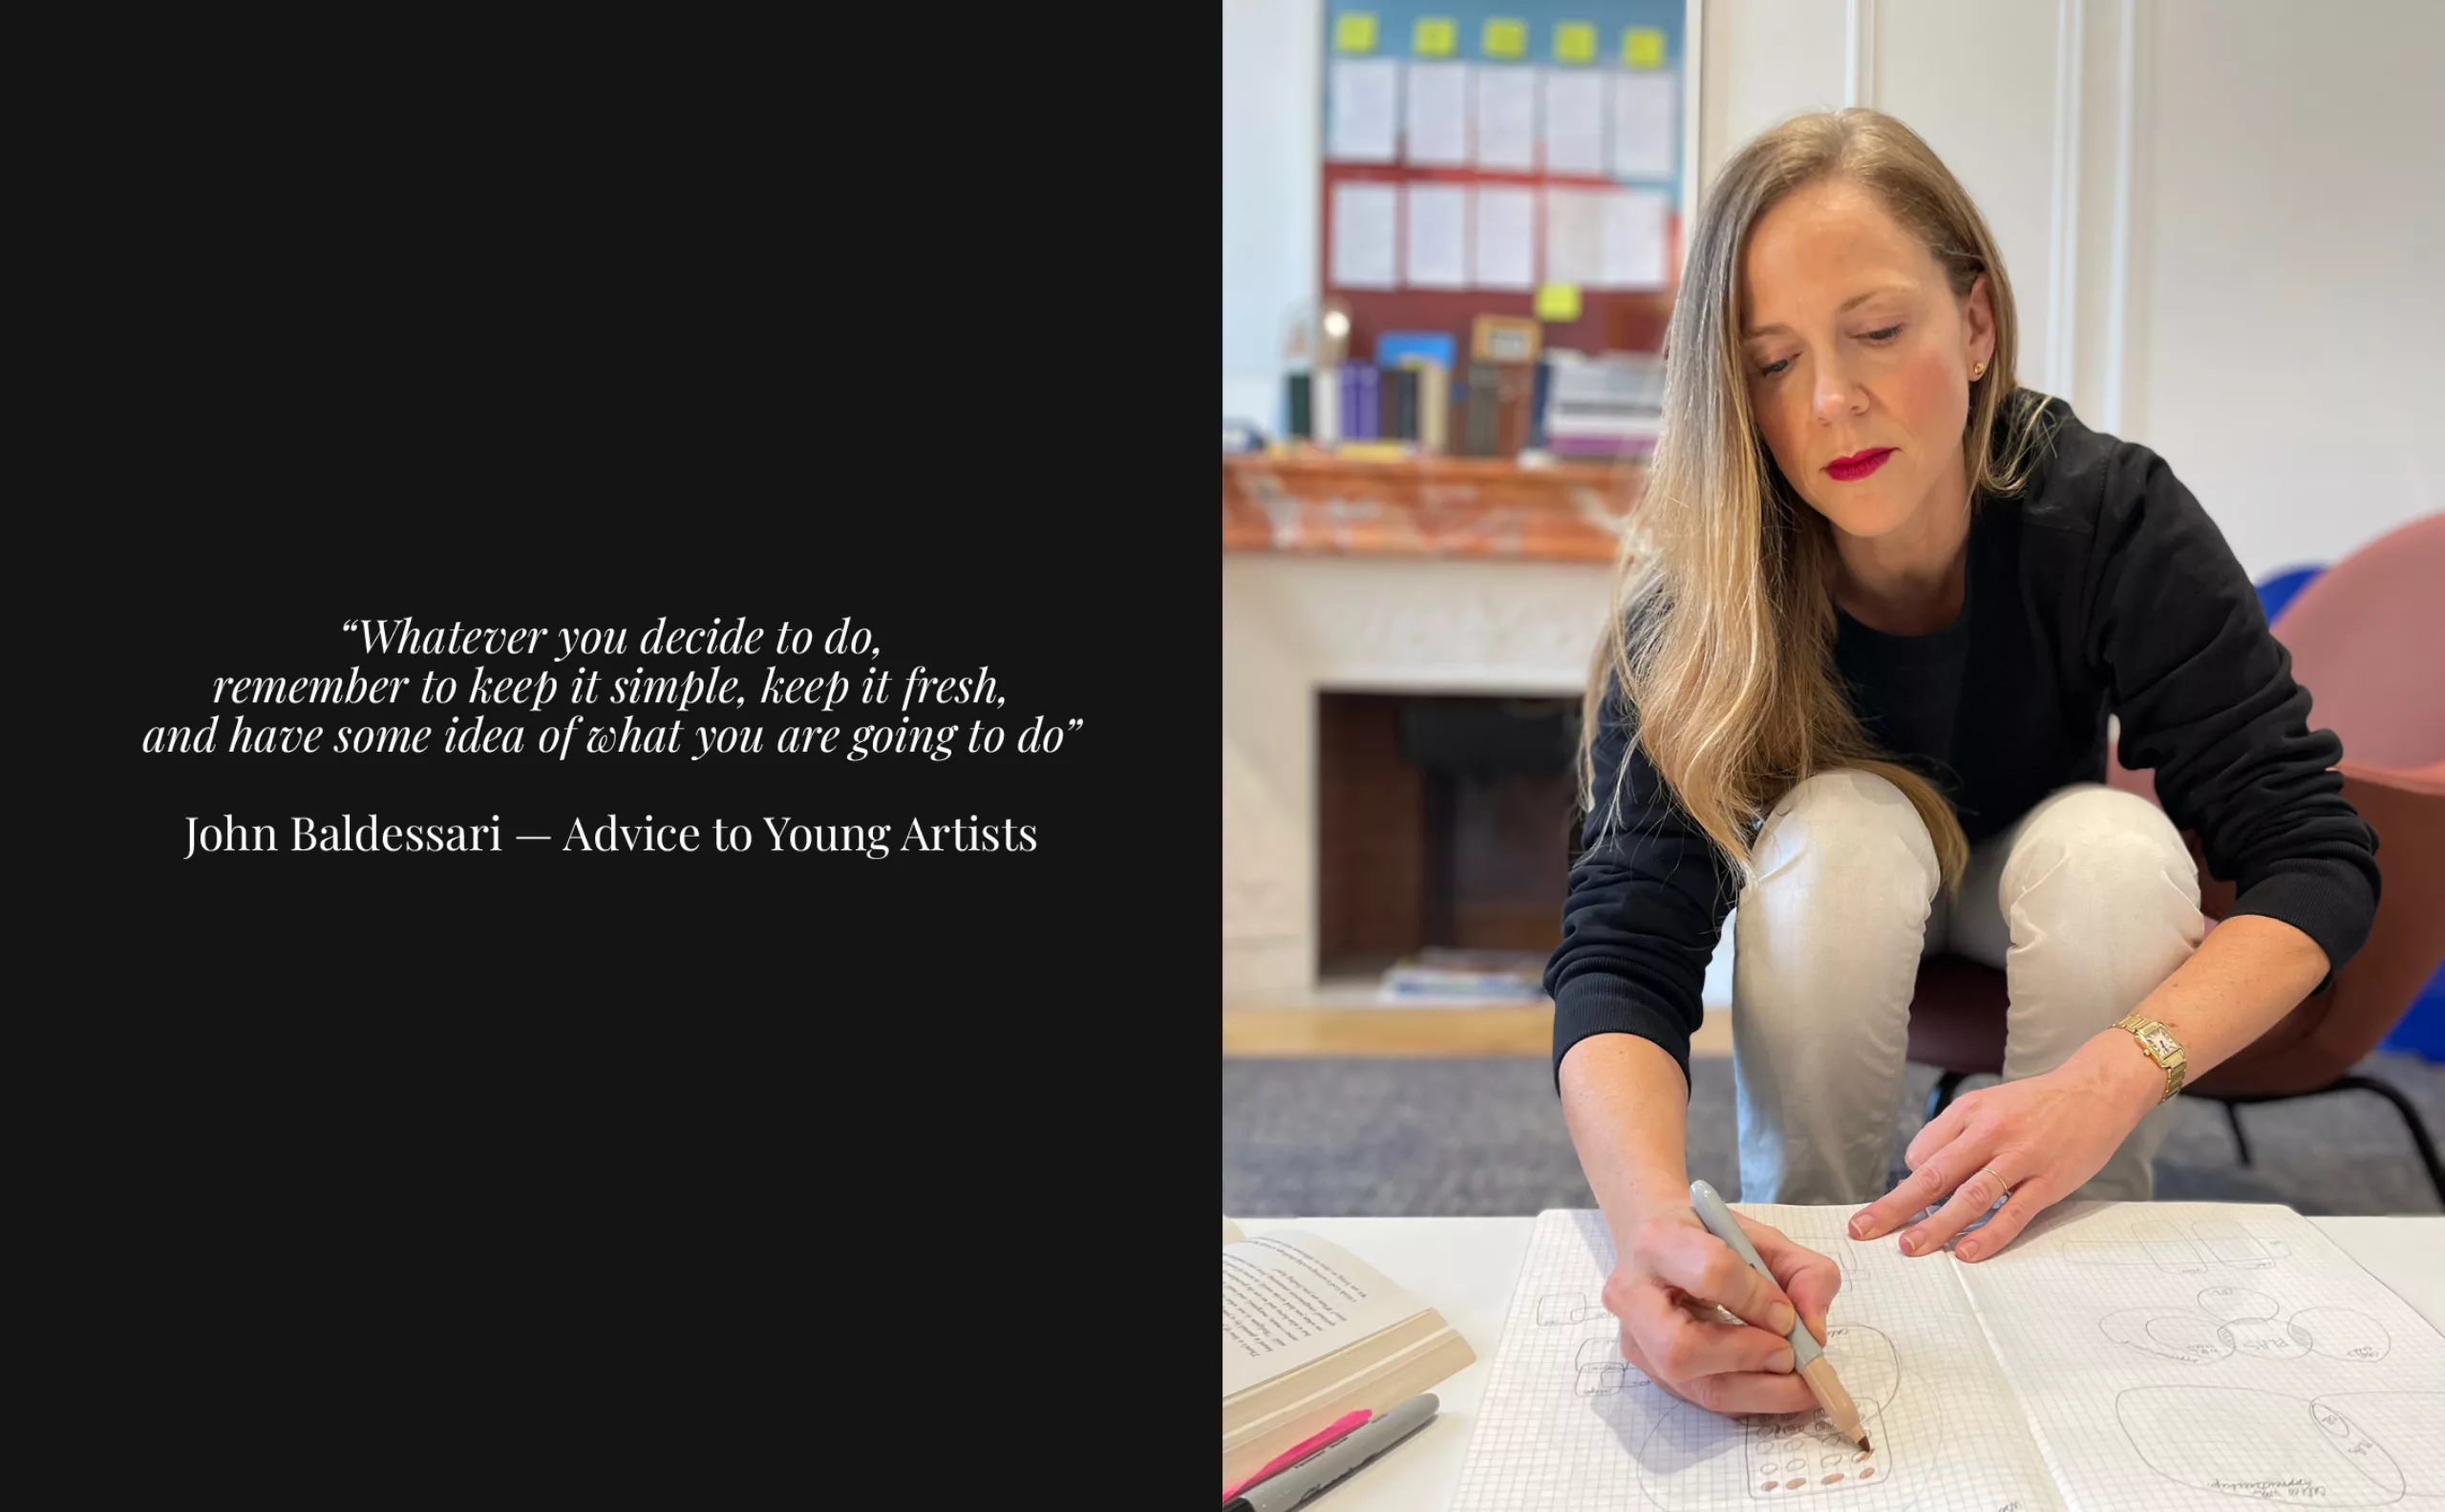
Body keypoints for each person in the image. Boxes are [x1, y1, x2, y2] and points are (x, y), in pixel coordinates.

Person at [1544, 109, 2379, 1419]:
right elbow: (1619, 948)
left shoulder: (2110, 514)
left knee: (2115, 852)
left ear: (1976, 322)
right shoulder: (1707, 587)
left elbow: (2315, 858)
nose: (1832, 400)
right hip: (1841, 885)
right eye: (1772, 363)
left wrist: (2106, 1078)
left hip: (2033, 883)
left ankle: (2079, 1255)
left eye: (1878, 331)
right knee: (1839, 830)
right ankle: (1805, 1249)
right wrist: (1653, 1228)